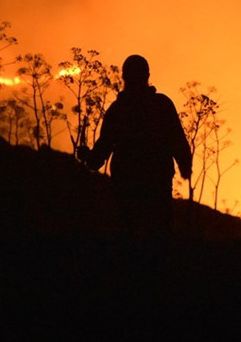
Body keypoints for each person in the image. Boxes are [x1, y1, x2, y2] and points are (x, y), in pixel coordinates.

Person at [78, 54, 192, 240]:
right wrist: (185, 166)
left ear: (124, 77)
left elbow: (100, 154)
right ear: (147, 75)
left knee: (129, 235)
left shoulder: (118, 111)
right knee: (158, 236)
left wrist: (87, 158)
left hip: (127, 183)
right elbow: (178, 140)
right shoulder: (162, 105)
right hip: (157, 182)